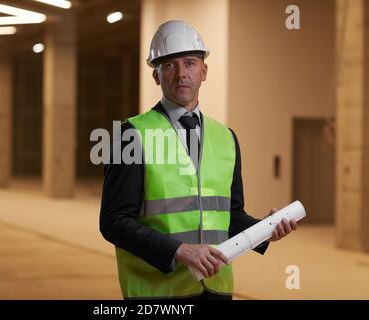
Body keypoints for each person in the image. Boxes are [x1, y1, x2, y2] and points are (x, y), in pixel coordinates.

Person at [99, 20, 297, 300]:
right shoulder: (131, 135)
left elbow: (229, 215)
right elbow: (114, 221)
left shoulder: (226, 137)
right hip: (160, 293)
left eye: (190, 63)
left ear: (204, 71)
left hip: (216, 288)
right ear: (156, 75)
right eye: (169, 65)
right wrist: (179, 251)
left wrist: (264, 229)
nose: (181, 74)